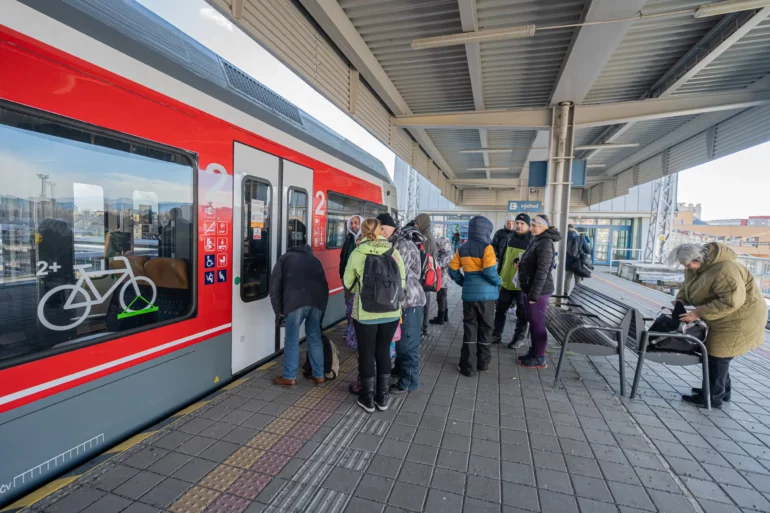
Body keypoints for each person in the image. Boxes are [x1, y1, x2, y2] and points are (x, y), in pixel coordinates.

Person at [668, 243, 767, 408]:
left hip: (741, 317)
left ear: (699, 259)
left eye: (688, 264)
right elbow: (689, 285)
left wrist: (698, 313)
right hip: (723, 315)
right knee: (718, 354)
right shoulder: (697, 268)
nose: (686, 268)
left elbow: (731, 301)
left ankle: (712, 397)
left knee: (718, 355)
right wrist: (681, 299)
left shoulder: (725, 270)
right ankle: (720, 391)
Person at [344, 218, 406, 412]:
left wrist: (361, 289)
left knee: (366, 353)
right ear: (380, 231)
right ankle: (383, 397)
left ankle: (367, 398)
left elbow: (348, 283)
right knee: (383, 351)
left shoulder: (358, 252)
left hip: (365, 313)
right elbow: (402, 282)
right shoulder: (394, 252)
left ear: (363, 232)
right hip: (391, 312)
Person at [377, 213, 425, 394]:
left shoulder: (403, 244)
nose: (381, 232)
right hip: (402, 301)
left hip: (410, 301)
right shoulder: (395, 242)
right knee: (400, 340)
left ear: (392, 227)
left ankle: (409, 381)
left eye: (383, 228)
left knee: (408, 343)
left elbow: (395, 273)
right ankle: (399, 371)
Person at [269, 243, 329, 386]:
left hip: (294, 303)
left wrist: (279, 313)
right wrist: (322, 310)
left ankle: (289, 377)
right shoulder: (315, 260)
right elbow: (325, 286)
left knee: (292, 339)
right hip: (316, 302)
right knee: (314, 337)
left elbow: (274, 288)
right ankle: (319, 375)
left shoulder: (284, 259)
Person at [449, 216, 502, 377]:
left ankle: (468, 367)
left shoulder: (462, 248)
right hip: (487, 297)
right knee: (486, 328)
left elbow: (452, 270)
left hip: (469, 297)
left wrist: (464, 282)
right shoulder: (487, 248)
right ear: (486, 231)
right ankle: (483, 364)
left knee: (470, 328)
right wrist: (498, 281)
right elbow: (489, 271)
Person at [516, 215, 561, 370]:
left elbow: (542, 271)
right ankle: (534, 352)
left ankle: (540, 357)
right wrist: (521, 264)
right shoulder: (537, 239)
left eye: (535, 225)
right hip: (530, 288)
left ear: (543, 227)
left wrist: (534, 295)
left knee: (538, 324)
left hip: (539, 291)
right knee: (533, 323)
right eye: (532, 225)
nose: (531, 228)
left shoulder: (545, 242)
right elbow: (533, 263)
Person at [492, 213, 532, 348]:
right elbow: (502, 259)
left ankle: (518, 338)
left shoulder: (532, 241)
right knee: (500, 310)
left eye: (522, 223)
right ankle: (496, 334)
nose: (518, 226)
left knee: (522, 313)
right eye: (517, 223)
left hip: (521, 285)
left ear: (528, 225)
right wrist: (498, 275)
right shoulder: (509, 238)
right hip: (505, 282)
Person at [413, 214, 436, 336]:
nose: (415, 225)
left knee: (423, 303)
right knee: (425, 302)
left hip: (423, 275)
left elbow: (423, 257)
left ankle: (422, 328)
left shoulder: (425, 237)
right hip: (427, 274)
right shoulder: (428, 235)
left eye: (417, 223)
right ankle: (424, 327)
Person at [339, 214, 364, 303]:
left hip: (360, 281)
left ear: (361, 224)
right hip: (348, 279)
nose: (353, 225)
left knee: (359, 305)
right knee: (349, 303)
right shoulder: (349, 238)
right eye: (351, 223)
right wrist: (341, 275)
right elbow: (343, 256)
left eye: (356, 223)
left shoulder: (366, 238)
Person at [429, 235, 453, 325]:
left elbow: (438, 265)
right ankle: (444, 316)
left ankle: (440, 318)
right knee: (443, 297)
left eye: (438, 245)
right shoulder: (447, 253)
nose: (437, 247)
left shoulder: (446, 255)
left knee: (441, 298)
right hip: (444, 279)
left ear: (443, 245)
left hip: (443, 280)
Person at [565, 224, 591, 293]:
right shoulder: (580, 237)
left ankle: (565, 293)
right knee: (578, 278)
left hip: (568, 261)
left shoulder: (565, 237)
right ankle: (577, 293)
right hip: (578, 261)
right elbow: (588, 250)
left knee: (568, 277)